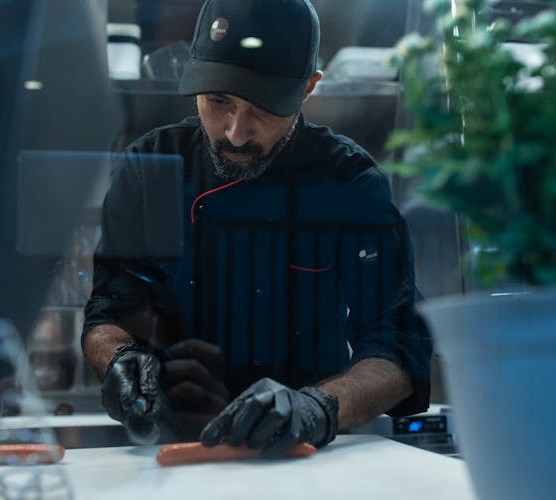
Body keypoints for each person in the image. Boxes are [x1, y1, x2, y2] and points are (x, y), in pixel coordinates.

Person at [82, 0, 432, 456]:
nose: (236, 133)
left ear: (308, 88)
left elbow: (398, 342)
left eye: (264, 107)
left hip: (302, 455)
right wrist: (120, 362)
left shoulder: (348, 181)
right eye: (218, 101)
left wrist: (318, 408)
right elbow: (108, 311)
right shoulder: (152, 168)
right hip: (168, 450)